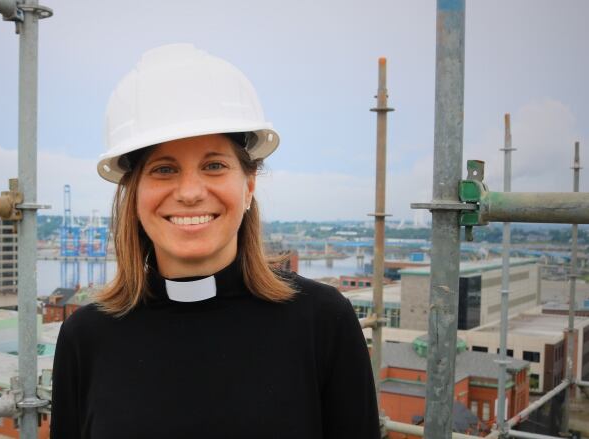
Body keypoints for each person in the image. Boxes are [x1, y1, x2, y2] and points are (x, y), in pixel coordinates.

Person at [50, 44, 379, 438]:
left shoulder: (323, 322)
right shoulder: (86, 337)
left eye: (214, 166)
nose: (190, 192)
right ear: (134, 194)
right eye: (164, 169)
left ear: (249, 185)